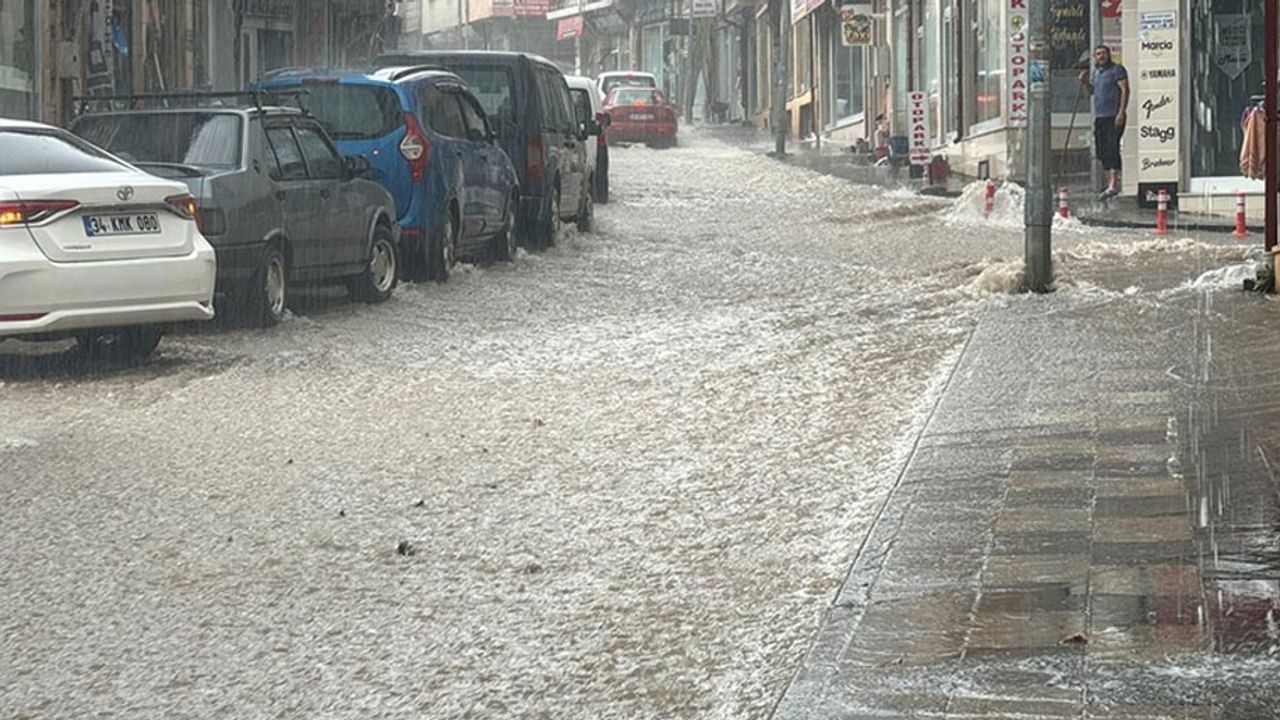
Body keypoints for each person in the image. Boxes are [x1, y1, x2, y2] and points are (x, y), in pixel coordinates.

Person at [1078, 45, 1129, 201]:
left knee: (1112, 146)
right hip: (1100, 116)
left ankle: (1114, 183)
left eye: (1103, 53)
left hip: (1113, 115)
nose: (1101, 56)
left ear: (1108, 54)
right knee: (1102, 150)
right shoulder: (1096, 72)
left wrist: (1121, 112)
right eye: (1098, 54)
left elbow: (1125, 90)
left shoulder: (1117, 70)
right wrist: (1085, 82)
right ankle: (1110, 183)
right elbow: (1092, 92)